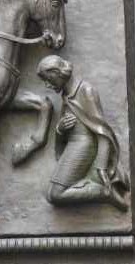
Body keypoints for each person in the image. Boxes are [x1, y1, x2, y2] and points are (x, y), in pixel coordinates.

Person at [37, 55, 129, 210]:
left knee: (55, 194)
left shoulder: (86, 90)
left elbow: (102, 131)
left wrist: (101, 167)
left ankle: (104, 192)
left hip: (85, 146)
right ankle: (99, 190)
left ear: (59, 73)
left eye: (49, 80)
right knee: (52, 194)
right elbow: (65, 133)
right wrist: (60, 129)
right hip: (74, 145)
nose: (47, 85)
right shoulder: (66, 94)